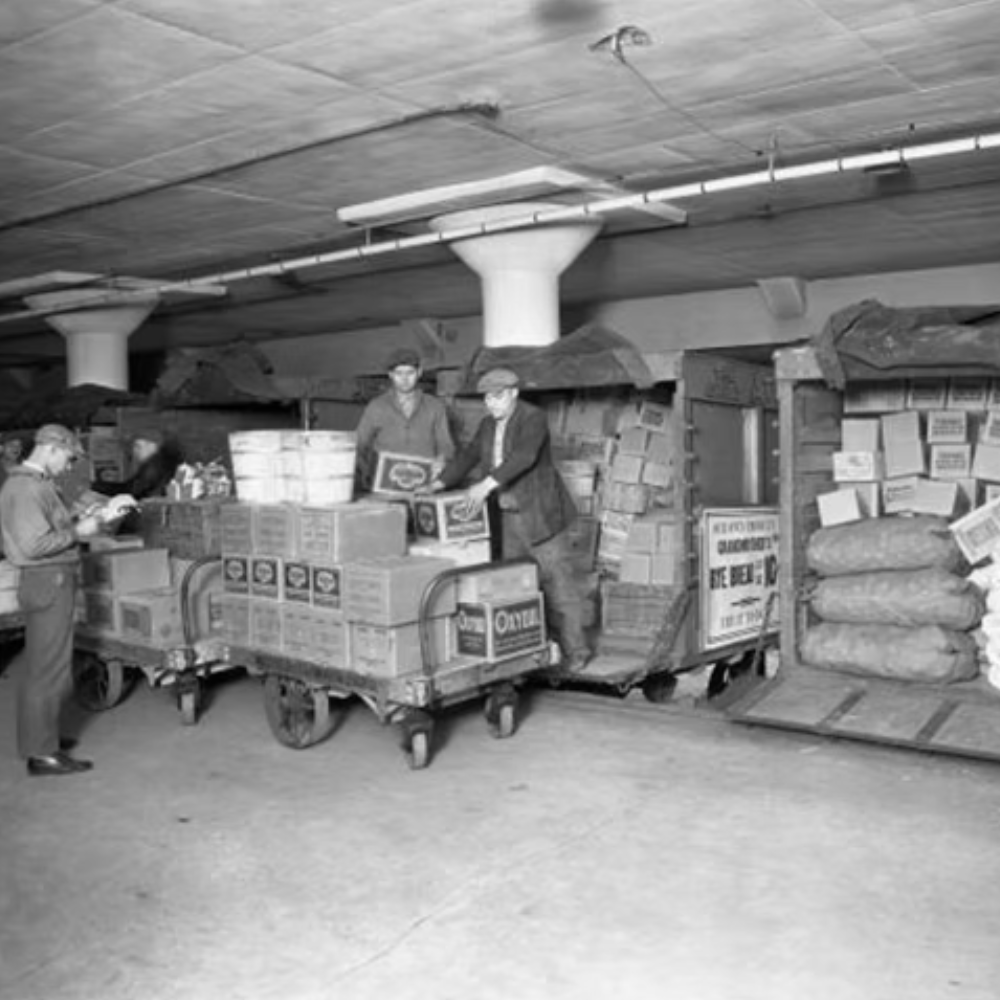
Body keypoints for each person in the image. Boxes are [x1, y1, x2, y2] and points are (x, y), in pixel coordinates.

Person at [430, 367, 591, 673]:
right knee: (516, 588)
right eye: (487, 398)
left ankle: (576, 652)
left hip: (540, 517)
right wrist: (439, 483)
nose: (491, 403)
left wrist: (485, 485)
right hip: (507, 517)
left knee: (559, 587)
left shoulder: (533, 418)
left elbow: (523, 457)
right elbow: (469, 456)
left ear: (514, 393)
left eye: (498, 396)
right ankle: (531, 654)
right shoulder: (488, 424)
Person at [0, 424, 135, 776]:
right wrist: (79, 532)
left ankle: (41, 738)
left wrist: (83, 519)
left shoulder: (36, 484)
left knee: (44, 667)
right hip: (48, 580)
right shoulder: (26, 487)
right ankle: (42, 754)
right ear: (50, 448)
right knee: (49, 671)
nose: (69, 465)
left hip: (49, 580)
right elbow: (33, 545)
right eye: (69, 458)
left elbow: (47, 530)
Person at [354, 347, 454, 492]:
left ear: (419, 372)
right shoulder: (376, 406)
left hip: (424, 486)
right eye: (399, 373)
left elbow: (446, 445)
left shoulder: (435, 406)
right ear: (390, 374)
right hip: (385, 488)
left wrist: (442, 460)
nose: (404, 379)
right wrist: (367, 475)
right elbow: (359, 444)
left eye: (410, 373)